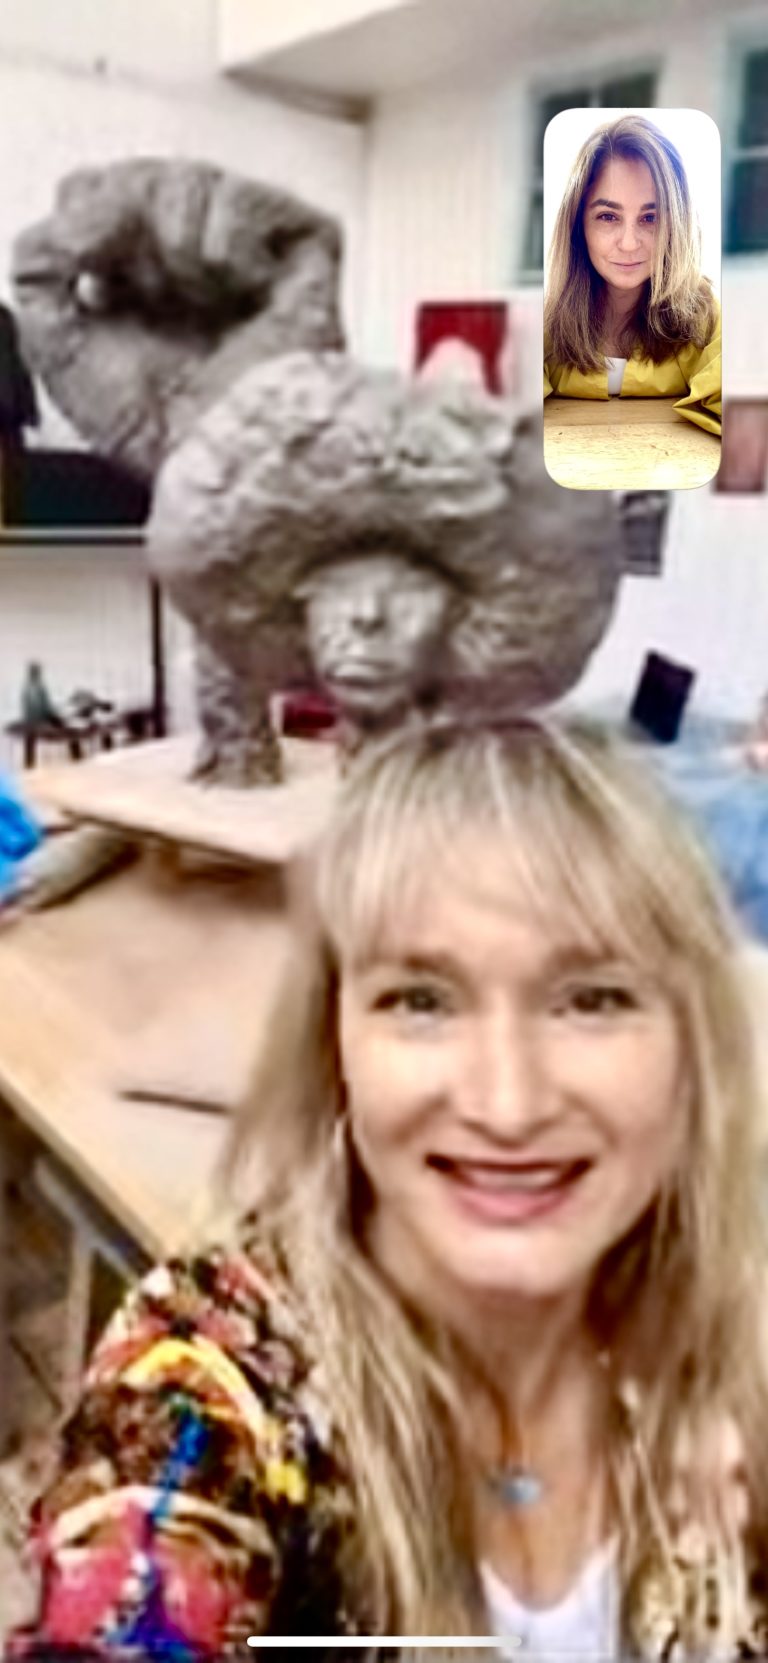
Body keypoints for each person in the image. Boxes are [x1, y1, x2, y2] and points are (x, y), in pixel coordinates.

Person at [8, 719, 768, 1659]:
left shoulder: (733, 1333)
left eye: (591, 998)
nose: (507, 1102)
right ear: (334, 1044)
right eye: (422, 999)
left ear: (693, 1051)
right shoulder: (215, 1372)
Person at [544, 115, 721, 435]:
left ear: (676, 225)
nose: (628, 244)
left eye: (650, 218)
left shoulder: (707, 317)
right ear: (578, 224)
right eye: (608, 216)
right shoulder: (540, 319)